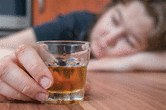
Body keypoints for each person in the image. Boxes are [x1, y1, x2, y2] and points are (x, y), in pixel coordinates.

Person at [0, 0, 165, 102]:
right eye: (114, 20)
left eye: (129, 40)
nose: (109, 39)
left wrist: (132, 62)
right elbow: (3, 45)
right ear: (107, 9)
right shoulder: (76, 23)